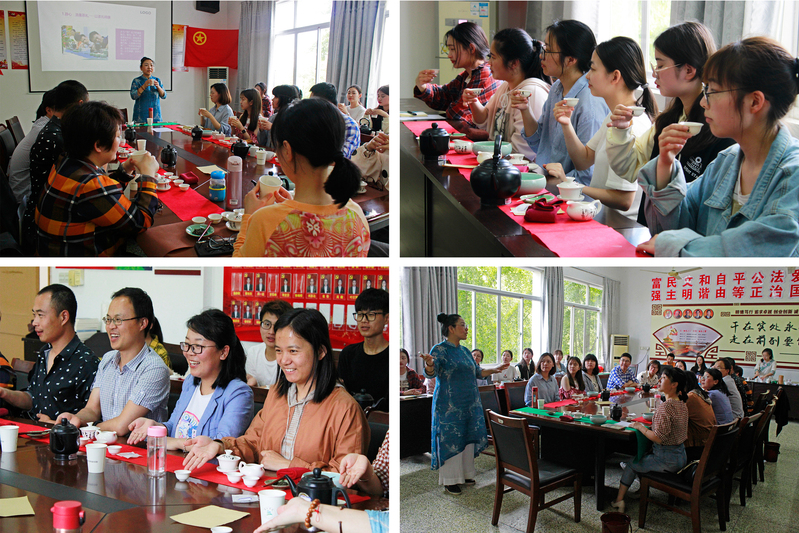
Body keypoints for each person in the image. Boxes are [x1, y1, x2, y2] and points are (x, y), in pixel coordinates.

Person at [634, 37, 799, 256]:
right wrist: (666, 163)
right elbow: (672, 228)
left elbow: (754, 251)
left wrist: (677, 245)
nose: (703, 102)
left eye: (712, 91)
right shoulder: (726, 161)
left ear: (754, 102)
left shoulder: (793, 175)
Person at [182, 308, 369, 473]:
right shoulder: (278, 394)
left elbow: (345, 476)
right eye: (279, 351)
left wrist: (288, 466)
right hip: (268, 492)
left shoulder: (344, 408)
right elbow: (254, 441)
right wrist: (220, 446)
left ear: (320, 351)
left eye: (293, 351)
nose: (283, 360)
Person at [605, 22, 734, 227]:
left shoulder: (720, 132)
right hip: (652, 232)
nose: (655, 73)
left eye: (661, 65)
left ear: (688, 70)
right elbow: (629, 168)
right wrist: (621, 130)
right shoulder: (668, 120)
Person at [233, 99, 370, 257]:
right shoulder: (357, 214)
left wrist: (249, 217)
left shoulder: (264, 221)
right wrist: (291, 206)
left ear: (287, 150)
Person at [35, 101, 160, 257]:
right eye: (117, 136)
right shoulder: (91, 185)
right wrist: (148, 175)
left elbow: (101, 197)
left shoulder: (64, 162)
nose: (120, 140)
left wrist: (125, 169)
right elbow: (140, 223)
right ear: (99, 145)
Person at [552, 36, 656, 219]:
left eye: (592, 69)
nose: (587, 76)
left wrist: (571, 185)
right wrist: (566, 124)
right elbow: (583, 160)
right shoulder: (616, 114)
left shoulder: (632, 123)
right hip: (602, 218)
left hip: (621, 227)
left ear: (615, 76)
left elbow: (624, 200)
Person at [127, 309, 252, 449]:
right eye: (187, 345)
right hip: (176, 460)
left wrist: (176, 443)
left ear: (223, 352)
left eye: (198, 346)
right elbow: (174, 427)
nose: (188, 353)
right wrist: (155, 426)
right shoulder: (190, 382)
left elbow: (220, 446)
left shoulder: (238, 394)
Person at [55, 288, 171, 435]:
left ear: (142, 323)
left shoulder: (154, 368)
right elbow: (92, 410)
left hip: (138, 448)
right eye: (108, 320)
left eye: (118, 320)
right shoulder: (107, 360)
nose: (110, 327)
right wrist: (76, 419)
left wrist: (87, 428)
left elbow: (121, 426)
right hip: (104, 444)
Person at [420, 313, 508, 494]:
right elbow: (431, 372)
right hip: (448, 405)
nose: (466, 328)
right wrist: (429, 364)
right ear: (451, 328)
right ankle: (450, 479)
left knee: (467, 437)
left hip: (469, 403)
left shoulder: (466, 351)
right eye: (462, 324)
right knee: (451, 439)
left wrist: (496, 369)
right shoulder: (440, 349)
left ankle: (466, 474)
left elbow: (477, 372)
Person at [519, 20, 609, 185]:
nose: (541, 56)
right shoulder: (557, 88)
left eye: (548, 50)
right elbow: (540, 144)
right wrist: (525, 109)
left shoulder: (589, 103)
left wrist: (546, 182)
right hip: (549, 184)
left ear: (570, 60)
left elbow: (587, 175)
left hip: (572, 193)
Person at [0, 284, 98, 422]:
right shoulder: (44, 353)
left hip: (61, 435)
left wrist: (55, 424)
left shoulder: (86, 362)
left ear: (63, 317)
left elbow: (93, 416)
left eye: (41, 315)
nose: (35, 322)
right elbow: (32, 398)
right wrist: (4, 393)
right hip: (34, 431)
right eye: (34, 315)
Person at [22, 80, 88, 253]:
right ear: (80, 104)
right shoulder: (58, 137)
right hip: (47, 219)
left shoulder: (55, 127)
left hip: (41, 206)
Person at [612, 366, 689, 513]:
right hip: (681, 457)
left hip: (665, 460)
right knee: (643, 458)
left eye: (664, 378)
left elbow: (658, 438)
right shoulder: (682, 404)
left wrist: (640, 427)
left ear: (674, 384)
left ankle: (618, 500)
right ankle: (641, 491)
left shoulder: (666, 407)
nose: (659, 380)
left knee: (632, 464)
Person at [465, 28, 549, 161]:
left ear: (513, 63)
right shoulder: (506, 86)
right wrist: (473, 101)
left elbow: (523, 151)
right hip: (502, 162)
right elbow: (484, 121)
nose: (489, 63)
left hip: (520, 168)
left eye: (493, 57)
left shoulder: (531, 92)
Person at [414, 21, 500, 135]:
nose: (449, 55)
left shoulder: (484, 74)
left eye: (453, 49)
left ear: (471, 48)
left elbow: (457, 114)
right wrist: (422, 86)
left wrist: (451, 104)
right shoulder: (467, 75)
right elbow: (444, 95)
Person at [338, 289, 389, 411]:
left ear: (386, 318)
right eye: (360, 314)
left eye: (371, 315)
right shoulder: (348, 354)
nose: (364, 320)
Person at [8, 89, 56, 204]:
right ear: (49, 110)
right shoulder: (47, 132)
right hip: (26, 198)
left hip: (23, 191)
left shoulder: (43, 125)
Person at [245, 299, 293, 387]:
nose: (271, 332)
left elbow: (289, 388)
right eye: (267, 324)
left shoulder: (291, 356)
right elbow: (252, 385)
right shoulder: (253, 352)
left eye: (277, 326)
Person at [310, 82, 360, 158]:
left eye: (313, 103)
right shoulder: (314, 120)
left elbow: (341, 158)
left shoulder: (349, 125)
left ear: (326, 103)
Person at [683, 371, 715, 460]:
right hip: (708, 442)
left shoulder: (691, 397)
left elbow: (674, 418)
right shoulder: (699, 393)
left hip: (698, 446)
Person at [257, 85, 299, 149]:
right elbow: (262, 143)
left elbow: (291, 141)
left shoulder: (293, 118)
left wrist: (273, 128)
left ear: (284, 98)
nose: (272, 99)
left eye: (276, 97)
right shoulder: (273, 117)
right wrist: (262, 130)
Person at [129, 57, 166, 123]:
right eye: (146, 65)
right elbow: (133, 96)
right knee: (140, 129)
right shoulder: (137, 81)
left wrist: (158, 86)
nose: (149, 67)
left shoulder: (157, 80)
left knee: (157, 129)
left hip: (156, 115)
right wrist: (144, 86)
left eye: (151, 65)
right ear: (141, 68)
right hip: (141, 115)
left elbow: (164, 96)